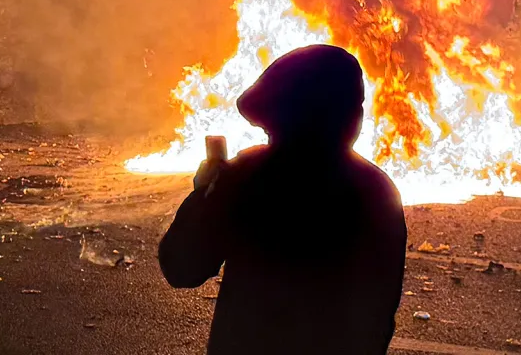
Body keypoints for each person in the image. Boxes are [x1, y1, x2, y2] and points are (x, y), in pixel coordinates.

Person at [158, 44, 408, 355]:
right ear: (350, 118)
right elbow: (380, 312)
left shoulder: (249, 176)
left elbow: (182, 267)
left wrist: (205, 194)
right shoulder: (378, 190)